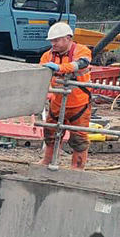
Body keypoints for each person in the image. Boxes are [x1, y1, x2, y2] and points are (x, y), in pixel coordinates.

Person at [39, 22, 93, 170]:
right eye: (51, 41)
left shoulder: (81, 50)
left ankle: (77, 168)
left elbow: (81, 64)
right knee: (50, 133)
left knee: (79, 138)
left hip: (79, 105)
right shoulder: (48, 55)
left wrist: (60, 68)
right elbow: (40, 74)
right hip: (57, 103)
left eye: (56, 40)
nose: (53, 43)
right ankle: (47, 160)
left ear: (68, 38)